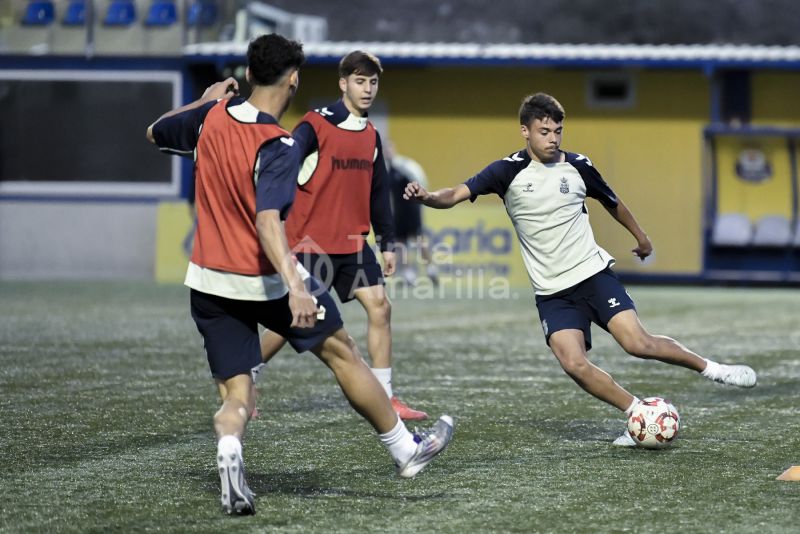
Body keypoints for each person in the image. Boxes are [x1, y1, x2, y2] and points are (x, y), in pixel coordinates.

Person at [146, 34, 453, 516]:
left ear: (247, 74)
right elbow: (269, 221)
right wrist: (295, 287)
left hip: (207, 282)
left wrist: (205, 100)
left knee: (239, 391)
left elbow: (156, 132)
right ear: (293, 80)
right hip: (262, 278)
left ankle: (230, 448)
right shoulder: (279, 142)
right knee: (344, 353)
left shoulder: (210, 118)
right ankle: (404, 450)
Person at [403, 92, 756, 445]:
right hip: (552, 293)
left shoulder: (578, 165)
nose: (553, 138)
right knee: (573, 364)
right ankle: (637, 413)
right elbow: (454, 194)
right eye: (544, 131)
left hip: (592, 275)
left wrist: (641, 237)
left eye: (558, 130)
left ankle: (713, 369)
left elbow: (611, 202)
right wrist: (428, 197)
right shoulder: (505, 171)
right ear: (525, 131)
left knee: (637, 343)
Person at [258, 50, 428, 421]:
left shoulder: (371, 135)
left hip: (353, 244)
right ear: (343, 84)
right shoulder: (314, 124)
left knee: (381, 307)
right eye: (360, 81)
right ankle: (246, 379)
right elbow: (283, 164)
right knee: (295, 321)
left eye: (373, 82)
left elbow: (378, 193)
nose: (367, 89)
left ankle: (385, 399)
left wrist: (386, 243)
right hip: (310, 244)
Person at [385, 141, 439, 287]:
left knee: (420, 240)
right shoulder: (387, 170)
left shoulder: (405, 166)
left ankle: (431, 270)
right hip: (398, 212)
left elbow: (421, 180)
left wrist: (423, 200)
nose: (387, 152)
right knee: (400, 243)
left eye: (389, 149)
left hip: (412, 209)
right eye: (385, 150)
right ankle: (409, 275)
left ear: (394, 149)